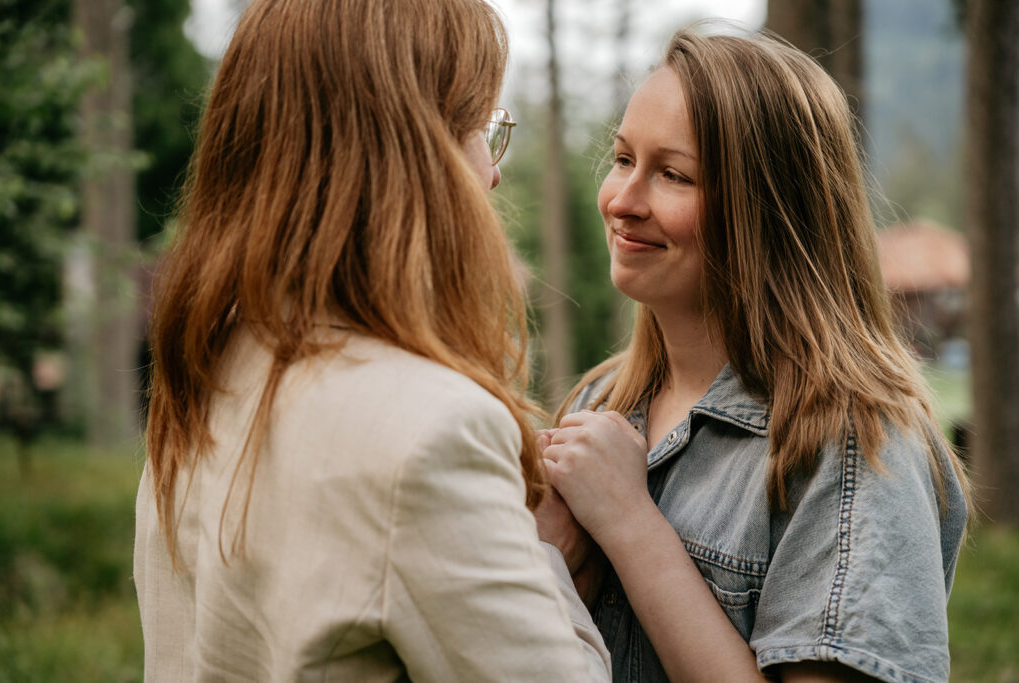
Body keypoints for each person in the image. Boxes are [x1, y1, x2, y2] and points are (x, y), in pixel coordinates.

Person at [133, 0, 611, 680]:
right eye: (478, 129)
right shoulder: (430, 430)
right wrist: (546, 557)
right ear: (415, 156)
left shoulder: (205, 374)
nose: (493, 171)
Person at [538, 27, 970, 683]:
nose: (622, 201)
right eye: (624, 159)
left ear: (769, 210)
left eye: (673, 175)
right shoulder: (599, 406)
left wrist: (630, 526)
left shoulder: (852, 444)